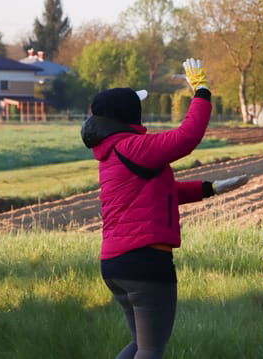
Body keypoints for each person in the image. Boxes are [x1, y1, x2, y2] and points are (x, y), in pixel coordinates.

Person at [80, 58, 248, 359]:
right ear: (128, 114)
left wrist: (209, 188)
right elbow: (187, 137)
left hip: (116, 265)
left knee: (140, 345)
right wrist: (201, 91)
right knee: (151, 349)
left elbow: (159, 192)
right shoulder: (133, 146)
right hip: (145, 262)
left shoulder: (112, 153)